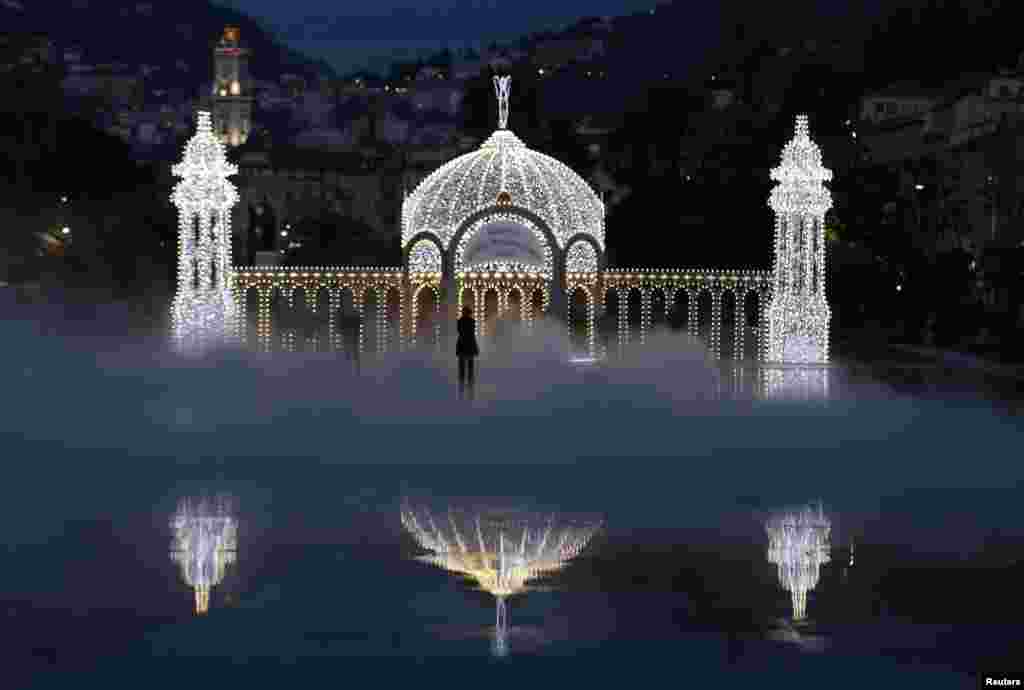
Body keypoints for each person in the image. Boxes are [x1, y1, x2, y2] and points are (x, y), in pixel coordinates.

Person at [456, 305, 479, 397]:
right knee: (470, 365)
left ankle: (462, 384)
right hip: (470, 344)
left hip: (462, 344)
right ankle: (470, 384)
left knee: (462, 366)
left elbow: (460, 332)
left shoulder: (460, 321)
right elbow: (472, 334)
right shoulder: (472, 321)